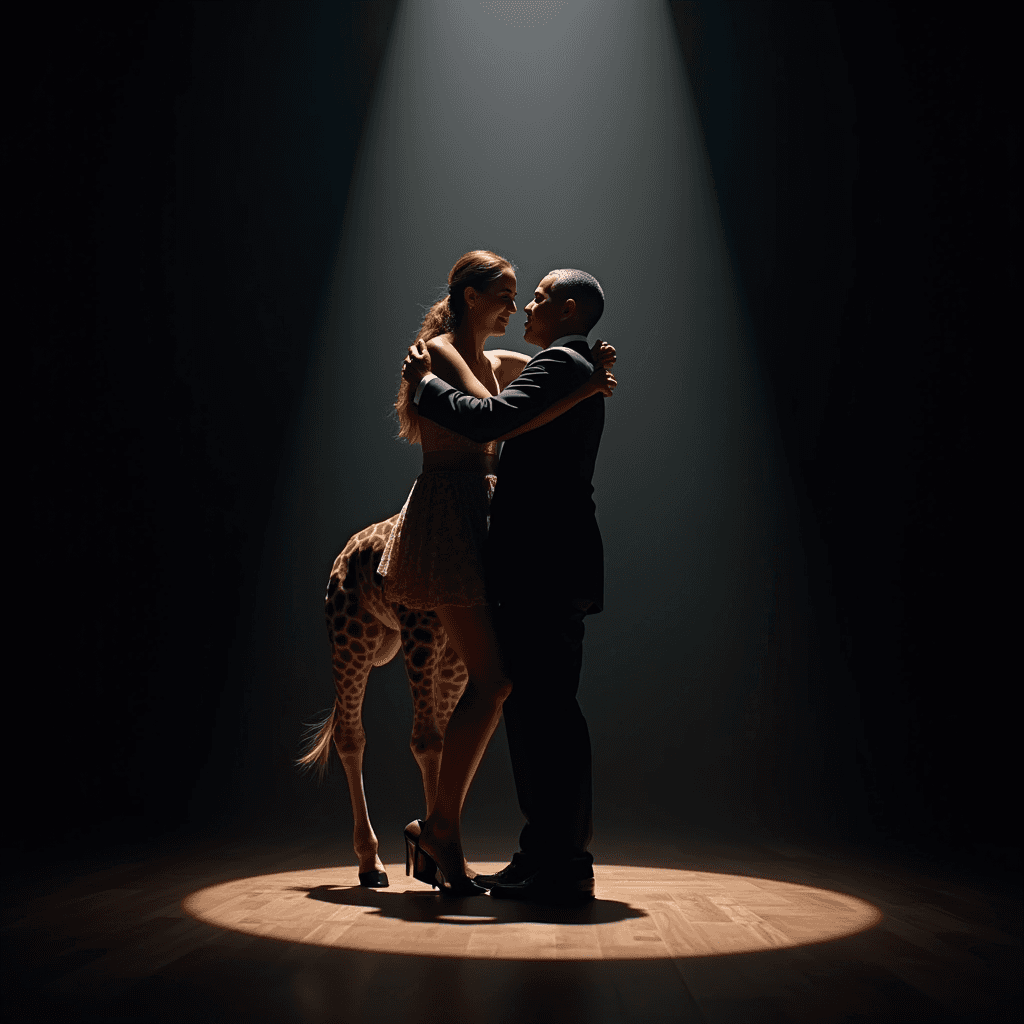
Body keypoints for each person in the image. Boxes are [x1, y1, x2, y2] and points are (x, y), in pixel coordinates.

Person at [385, 252, 615, 896]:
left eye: (535, 296)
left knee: (532, 705)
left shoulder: (560, 363)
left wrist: (427, 387)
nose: (523, 307)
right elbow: (504, 415)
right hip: (502, 544)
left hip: (542, 563)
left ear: (569, 310)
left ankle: (542, 855)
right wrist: (587, 381)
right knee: (530, 703)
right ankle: (533, 852)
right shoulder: (555, 365)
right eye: (512, 295)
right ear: (468, 295)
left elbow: (494, 417)